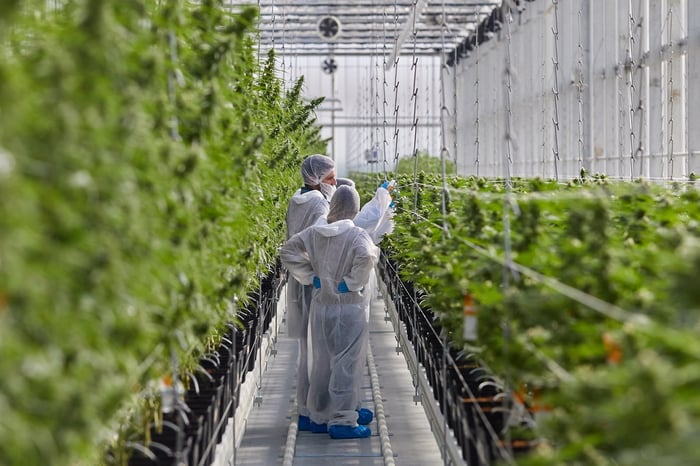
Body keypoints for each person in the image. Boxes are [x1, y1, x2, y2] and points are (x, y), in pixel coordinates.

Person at [280, 185, 379, 439]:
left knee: (321, 362)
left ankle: (320, 414)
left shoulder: (315, 232)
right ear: (354, 209)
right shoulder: (357, 235)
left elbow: (287, 251)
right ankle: (343, 420)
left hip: (321, 307)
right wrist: (353, 282)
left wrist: (310, 276)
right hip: (348, 308)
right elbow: (368, 257)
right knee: (346, 363)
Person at [285, 154, 336, 432]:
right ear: (316, 178)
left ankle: (307, 408)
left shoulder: (297, 198)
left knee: (308, 348)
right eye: (329, 178)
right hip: (314, 280)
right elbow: (320, 236)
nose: (334, 182)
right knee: (320, 349)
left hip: (301, 278)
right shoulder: (317, 202)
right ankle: (318, 410)